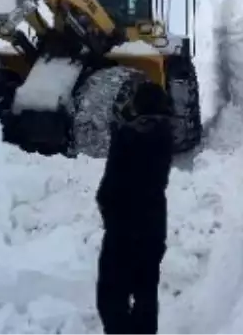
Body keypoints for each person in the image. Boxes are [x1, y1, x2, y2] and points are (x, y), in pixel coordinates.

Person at [95, 80, 173, 335]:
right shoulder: (164, 135)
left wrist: (108, 210)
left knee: (111, 296)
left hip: (124, 228)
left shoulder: (127, 137)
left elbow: (110, 186)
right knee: (145, 293)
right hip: (153, 227)